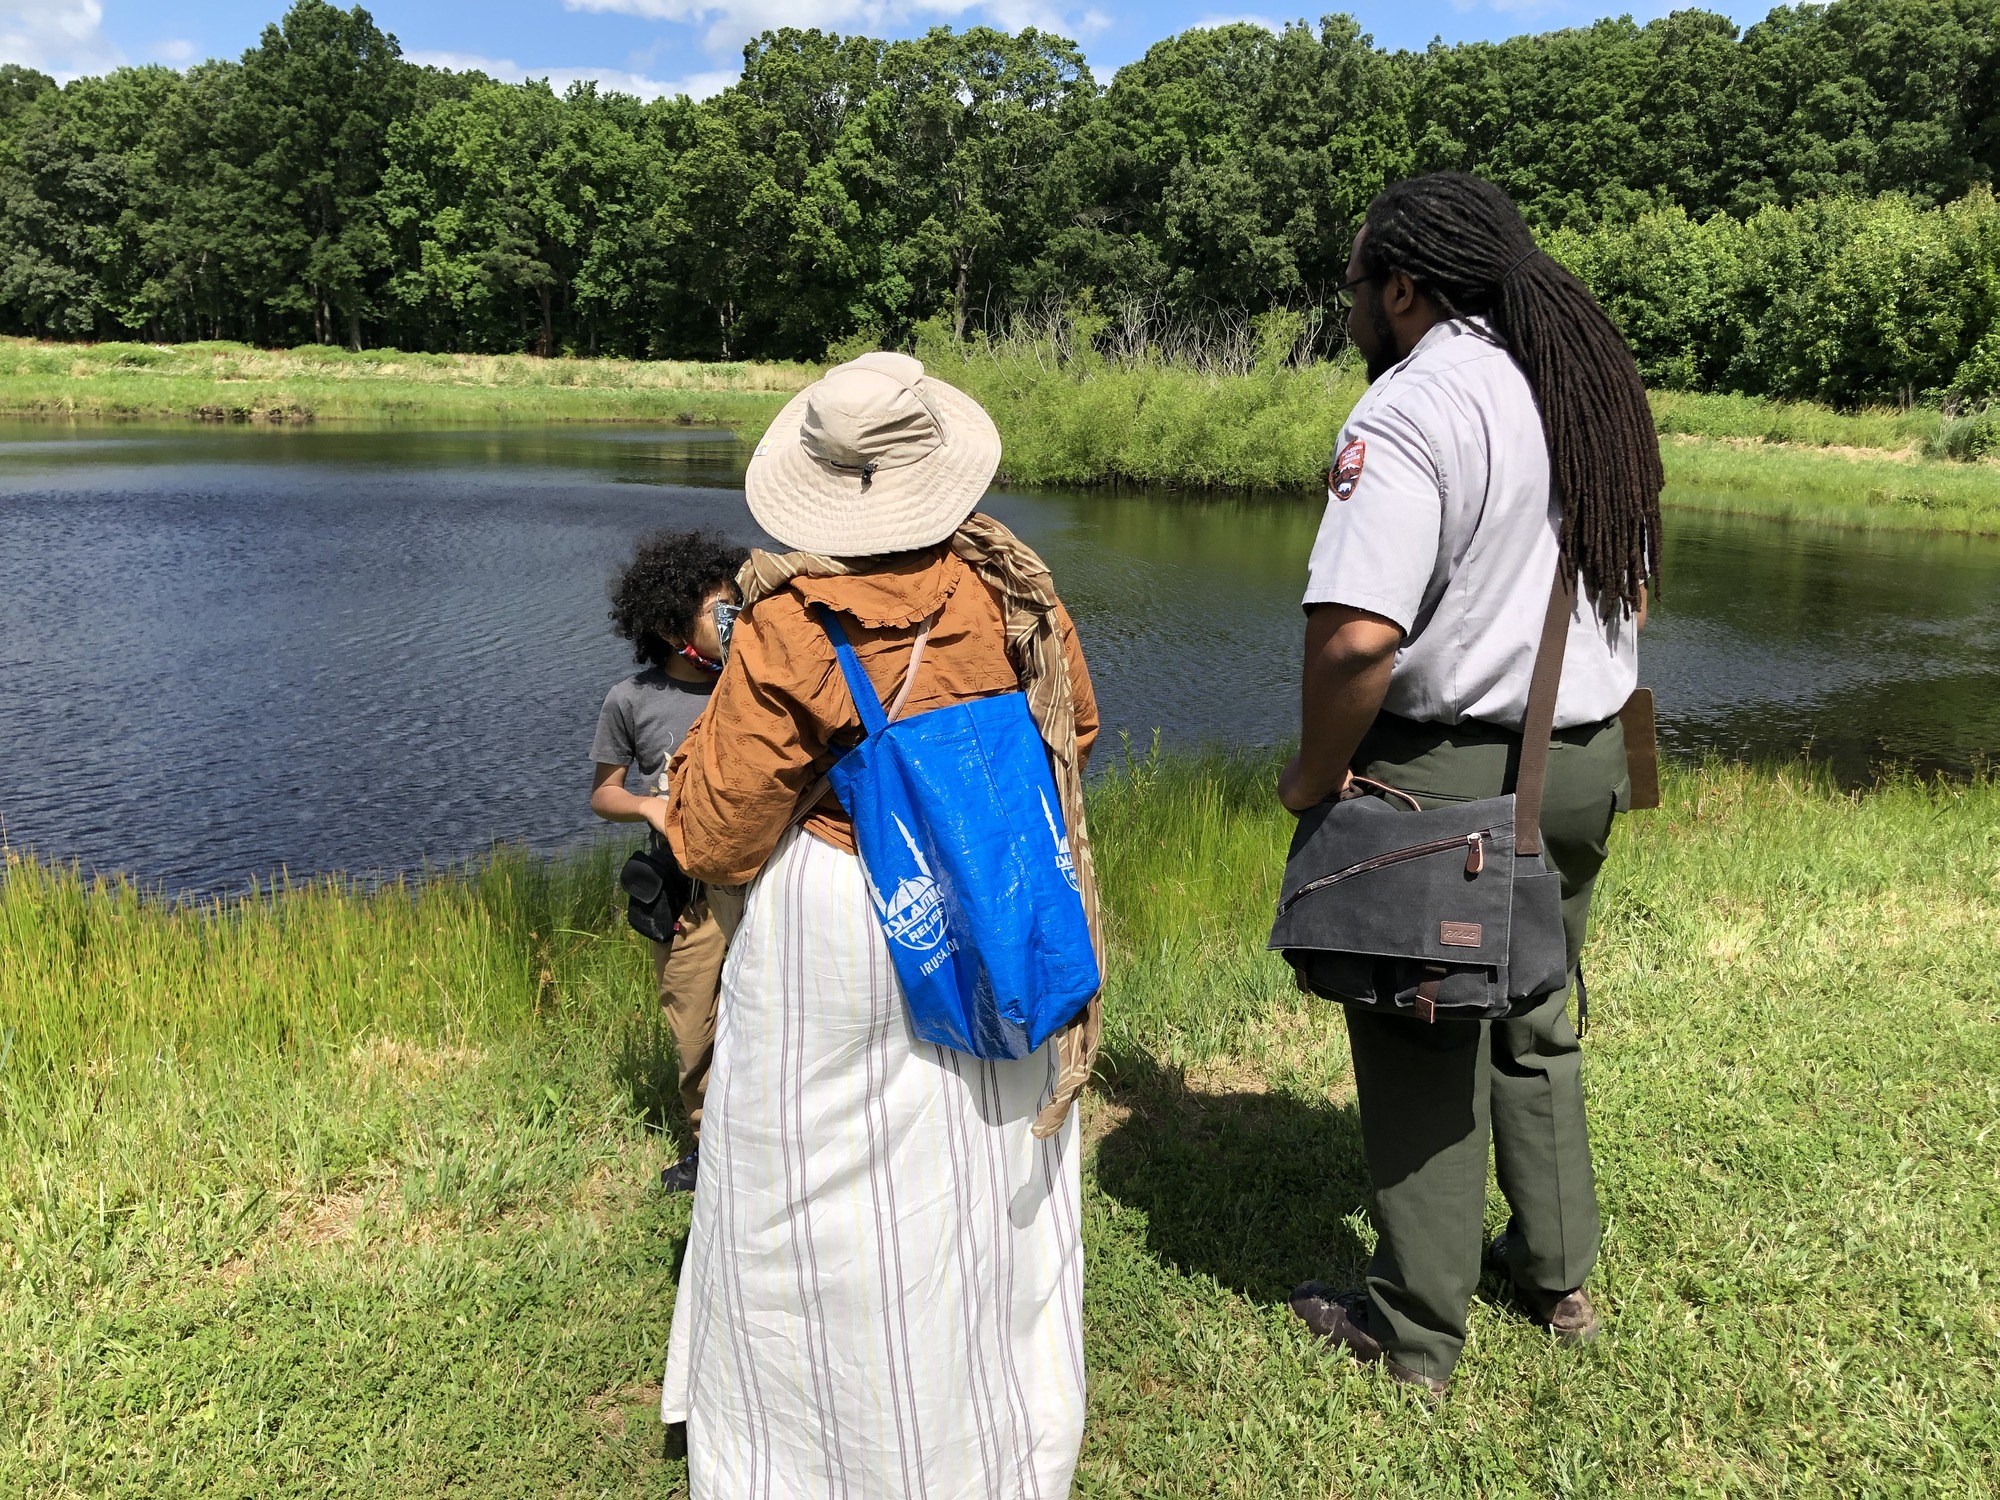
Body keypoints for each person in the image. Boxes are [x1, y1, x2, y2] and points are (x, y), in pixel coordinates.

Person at [655, 351, 1101, 1495]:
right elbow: (1074, 732)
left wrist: (698, 754)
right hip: (991, 897)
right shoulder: (1011, 581)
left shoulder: (790, 620)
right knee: (981, 1165)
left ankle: (813, 1456)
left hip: (846, 918)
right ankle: (989, 1432)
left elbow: (712, 839)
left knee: (804, 1186)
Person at [1278, 172, 1661, 1396]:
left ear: (1401, 286)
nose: (1347, 306)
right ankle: (1555, 1279)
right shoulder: (1588, 382)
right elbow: (1632, 585)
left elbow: (1353, 640)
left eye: (1352, 284)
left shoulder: (1407, 407)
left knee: (1420, 1035)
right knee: (1538, 1010)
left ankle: (1412, 1335)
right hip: (1586, 749)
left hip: (1447, 770)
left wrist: (1312, 774)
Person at [590, 528, 749, 1194]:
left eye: (736, 606)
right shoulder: (631, 700)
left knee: (766, 1010)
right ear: (667, 622)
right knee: (695, 1028)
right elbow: (604, 793)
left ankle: (763, 1138)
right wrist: (652, 809)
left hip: (754, 880)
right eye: (718, 611)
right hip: (684, 897)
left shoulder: (751, 684)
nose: (732, 621)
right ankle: (710, 1151)